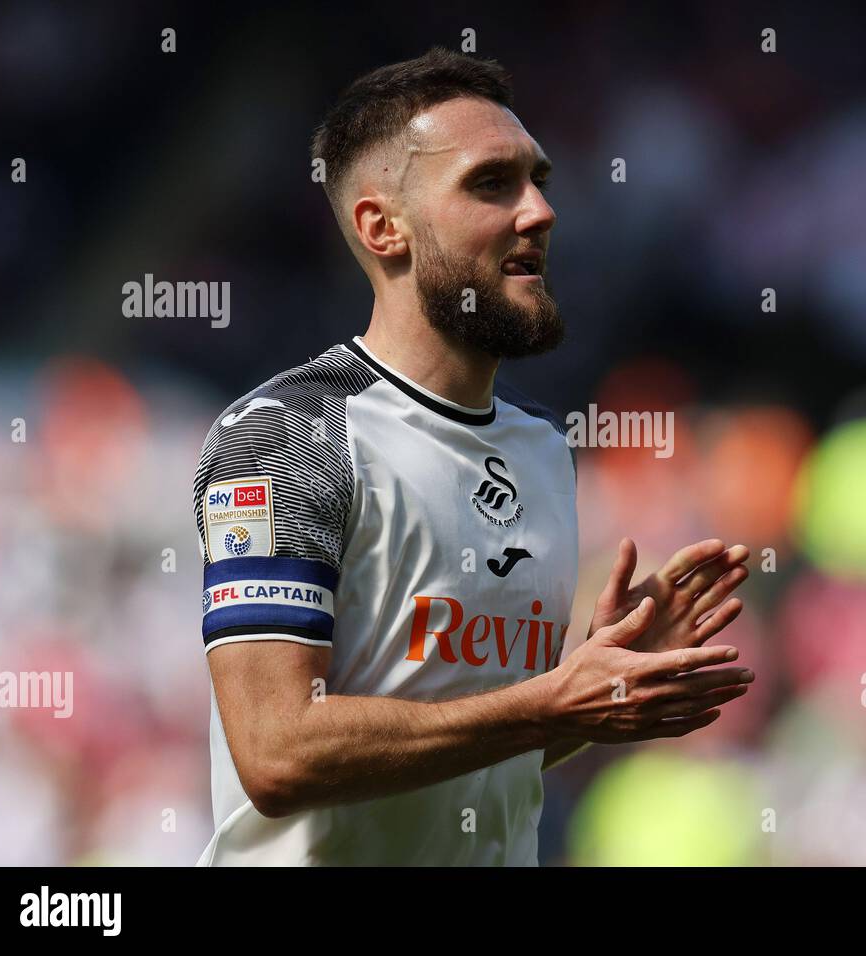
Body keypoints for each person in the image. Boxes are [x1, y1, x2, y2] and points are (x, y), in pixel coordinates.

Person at [193, 47, 753, 865]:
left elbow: (477, 761)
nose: (540, 211)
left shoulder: (544, 450)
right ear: (383, 227)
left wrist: (587, 701)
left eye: (539, 180)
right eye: (492, 184)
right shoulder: (288, 434)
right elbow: (278, 753)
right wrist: (551, 704)